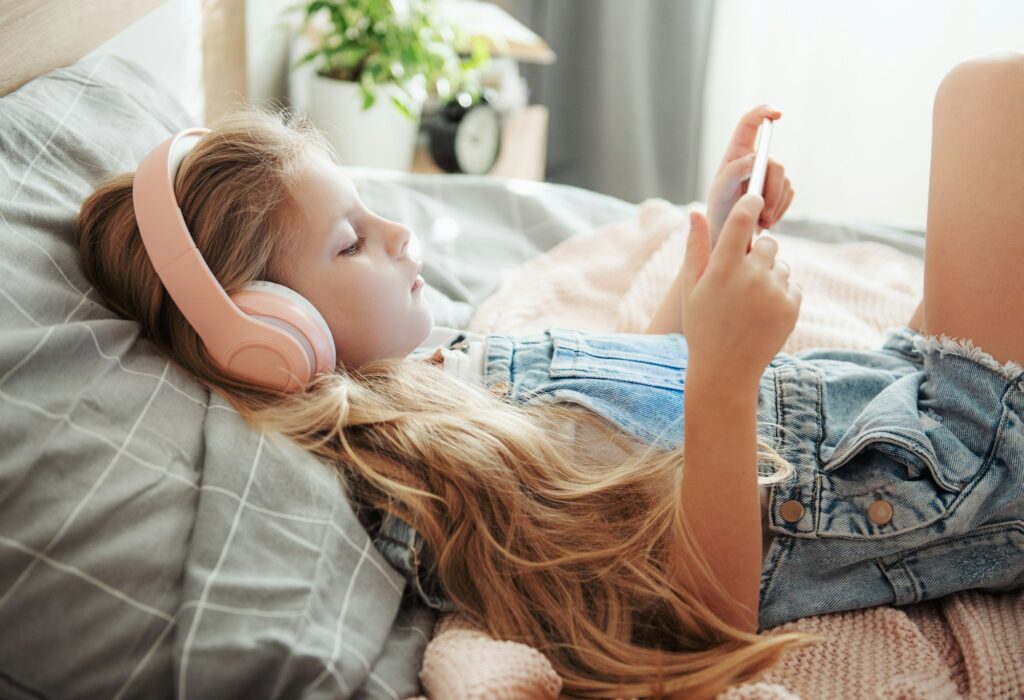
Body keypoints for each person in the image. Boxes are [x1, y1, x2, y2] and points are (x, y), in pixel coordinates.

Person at [75, 52, 1024, 699]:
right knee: (988, 94)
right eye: (350, 241)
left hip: (889, 390)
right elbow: (708, 614)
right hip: (952, 462)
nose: (400, 233)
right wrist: (728, 380)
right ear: (276, 338)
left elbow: (647, 391)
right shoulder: (428, 492)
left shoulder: (455, 371)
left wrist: (714, 234)